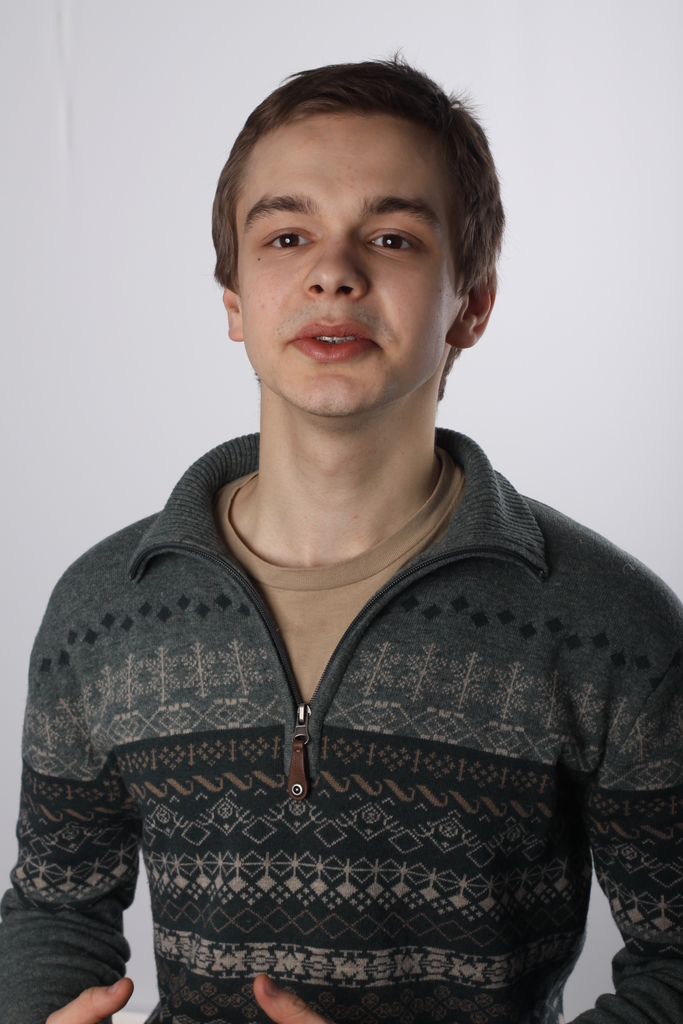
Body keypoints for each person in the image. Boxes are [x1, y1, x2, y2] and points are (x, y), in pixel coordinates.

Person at [0, 57, 681, 1024]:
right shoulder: (102, 607)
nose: (333, 272)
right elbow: (57, 903)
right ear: (234, 300)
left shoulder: (611, 626)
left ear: (471, 304)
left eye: (392, 237)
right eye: (287, 236)